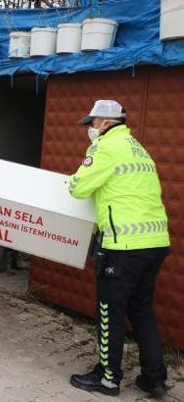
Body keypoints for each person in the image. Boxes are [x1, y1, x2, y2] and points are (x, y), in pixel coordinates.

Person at [68, 100, 169, 399]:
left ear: (106, 123)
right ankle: (154, 378)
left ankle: (108, 379)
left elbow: (78, 187)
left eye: (92, 123)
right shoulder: (138, 148)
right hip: (154, 244)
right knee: (141, 311)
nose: (89, 128)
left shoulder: (106, 147)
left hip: (123, 246)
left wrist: (75, 180)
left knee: (110, 310)